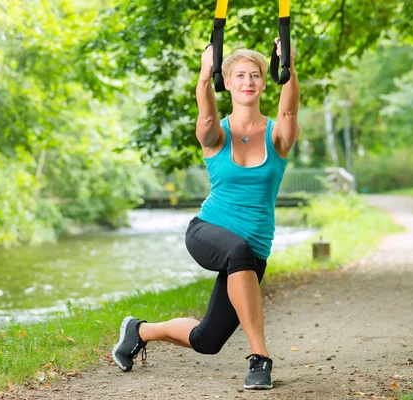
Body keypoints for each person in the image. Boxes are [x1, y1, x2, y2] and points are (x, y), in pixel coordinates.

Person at [111, 39, 300, 391]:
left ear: (264, 82)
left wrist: (289, 67)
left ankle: (139, 330)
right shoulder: (215, 135)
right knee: (236, 250)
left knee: (207, 340)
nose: (248, 81)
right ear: (225, 81)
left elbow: (289, 113)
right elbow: (207, 115)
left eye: (256, 75)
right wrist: (203, 74)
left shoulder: (278, 136)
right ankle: (260, 358)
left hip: (253, 251)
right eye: (239, 75)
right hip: (208, 232)